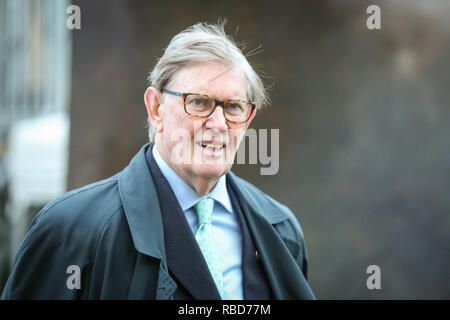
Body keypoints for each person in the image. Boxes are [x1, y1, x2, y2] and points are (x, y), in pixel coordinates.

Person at [1, 22, 315, 300]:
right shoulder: (69, 229)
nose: (219, 123)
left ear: (247, 120)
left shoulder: (280, 230)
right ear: (155, 109)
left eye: (233, 107)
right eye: (199, 102)